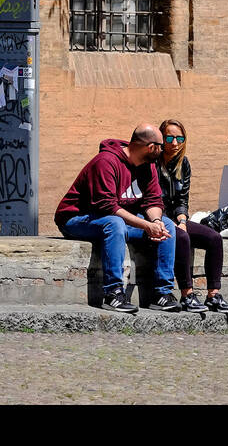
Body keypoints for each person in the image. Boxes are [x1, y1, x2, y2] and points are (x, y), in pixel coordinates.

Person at [55, 124, 180, 314]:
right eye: (160, 146)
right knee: (114, 223)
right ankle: (113, 293)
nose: (163, 150)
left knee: (167, 224)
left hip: (115, 220)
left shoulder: (149, 166)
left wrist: (155, 222)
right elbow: (108, 207)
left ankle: (161, 294)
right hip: (76, 219)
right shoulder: (106, 162)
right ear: (150, 146)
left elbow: (153, 200)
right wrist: (146, 225)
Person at [157, 117, 228, 314]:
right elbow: (151, 200)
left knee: (214, 238)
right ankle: (187, 294)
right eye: (169, 138)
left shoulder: (184, 164)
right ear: (161, 138)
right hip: (157, 217)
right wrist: (172, 222)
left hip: (177, 218)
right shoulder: (152, 164)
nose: (175, 143)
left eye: (179, 139)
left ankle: (213, 295)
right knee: (182, 237)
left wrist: (182, 219)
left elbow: (183, 199)